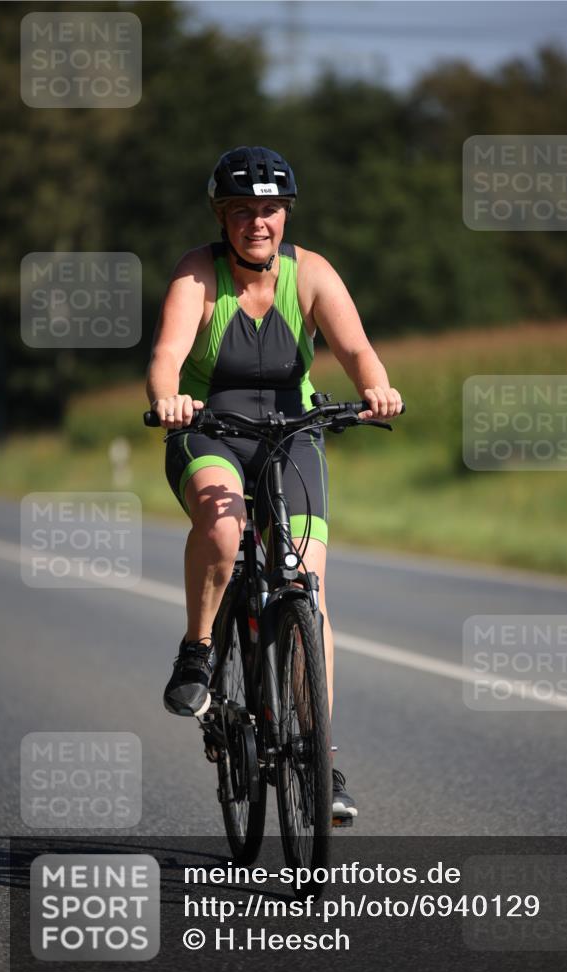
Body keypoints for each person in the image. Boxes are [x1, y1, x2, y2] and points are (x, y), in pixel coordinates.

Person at [146, 146, 402, 823]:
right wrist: (169, 399)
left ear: (284, 214)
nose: (256, 223)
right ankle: (199, 649)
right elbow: (167, 356)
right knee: (224, 526)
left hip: (292, 433)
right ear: (222, 218)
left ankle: (319, 756)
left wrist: (376, 388)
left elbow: (356, 350)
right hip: (209, 430)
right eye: (241, 212)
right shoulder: (198, 275)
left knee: (306, 595)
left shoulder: (311, 273)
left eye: (268, 210)